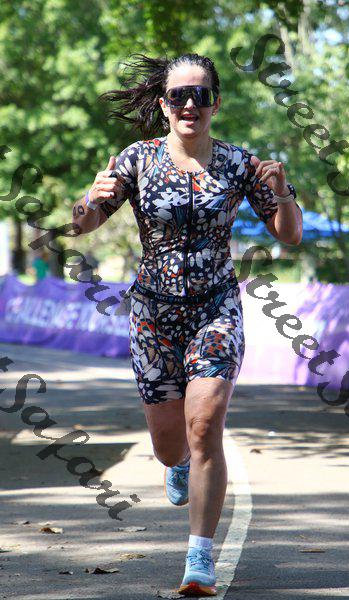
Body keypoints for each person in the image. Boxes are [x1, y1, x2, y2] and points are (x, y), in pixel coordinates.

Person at [72, 52, 303, 596]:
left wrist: (282, 190)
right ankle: (175, 464)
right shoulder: (138, 160)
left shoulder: (238, 164)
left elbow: (289, 234)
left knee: (205, 426)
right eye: (179, 96)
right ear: (164, 104)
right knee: (169, 444)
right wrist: (89, 199)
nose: (190, 105)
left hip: (215, 309)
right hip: (153, 316)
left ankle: (200, 557)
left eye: (200, 95)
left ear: (215, 102)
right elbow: (81, 226)